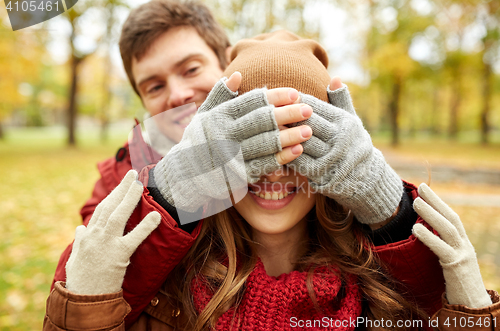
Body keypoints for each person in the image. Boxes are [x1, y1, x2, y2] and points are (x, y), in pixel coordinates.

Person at [44, 30, 499, 331]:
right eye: (252, 142)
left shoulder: (378, 284)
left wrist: (392, 214)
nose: (275, 166)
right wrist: (171, 191)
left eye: (301, 143)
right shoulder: (170, 278)